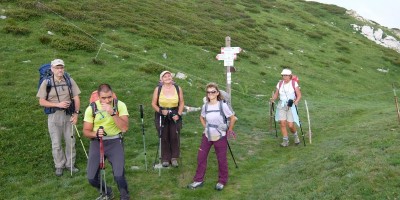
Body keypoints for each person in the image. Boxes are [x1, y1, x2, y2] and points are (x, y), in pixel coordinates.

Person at [83, 84, 130, 200]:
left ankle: (125, 196)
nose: (107, 100)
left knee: (119, 175)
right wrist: (95, 134)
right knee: (91, 178)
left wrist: (113, 113)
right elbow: (86, 131)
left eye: (109, 97)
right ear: (98, 96)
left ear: (112, 94)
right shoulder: (91, 108)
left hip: (115, 141)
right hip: (97, 142)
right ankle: (107, 192)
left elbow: (124, 128)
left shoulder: (120, 105)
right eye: (103, 98)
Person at [187, 82, 237, 191]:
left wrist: (230, 129)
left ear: (217, 93)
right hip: (207, 135)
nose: (210, 94)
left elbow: (232, 118)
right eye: (208, 92)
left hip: (220, 135)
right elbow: (201, 117)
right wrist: (206, 127)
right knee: (201, 157)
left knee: (221, 159)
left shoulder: (222, 105)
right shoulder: (205, 105)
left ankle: (222, 181)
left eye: (213, 92)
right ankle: (198, 180)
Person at [36, 58, 81, 177]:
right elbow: (41, 102)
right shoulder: (47, 82)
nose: (60, 70)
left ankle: (70, 164)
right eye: (57, 68)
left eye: (61, 67)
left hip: (69, 115)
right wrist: (57, 104)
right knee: (56, 143)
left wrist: (76, 114)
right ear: (52, 69)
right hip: (54, 116)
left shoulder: (69, 80)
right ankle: (59, 165)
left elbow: (76, 98)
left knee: (70, 141)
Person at [151, 71, 184, 167]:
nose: (167, 77)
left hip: (174, 113)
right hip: (162, 113)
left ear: (172, 77)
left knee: (174, 135)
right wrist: (161, 111)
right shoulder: (158, 89)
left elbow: (181, 103)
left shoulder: (178, 88)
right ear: (161, 79)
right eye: (164, 76)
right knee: (163, 135)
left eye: (169, 76)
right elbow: (153, 103)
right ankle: (165, 158)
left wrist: (178, 114)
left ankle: (174, 158)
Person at [270, 69, 302, 147]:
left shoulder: (294, 84)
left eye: (286, 75)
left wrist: (296, 101)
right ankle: (285, 140)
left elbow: (299, 95)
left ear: (290, 76)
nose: (284, 77)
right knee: (282, 123)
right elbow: (276, 94)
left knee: (290, 125)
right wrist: (273, 99)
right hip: (281, 105)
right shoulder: (280, 83)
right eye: (283, 75)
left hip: (291, 105)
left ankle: (295, 136)